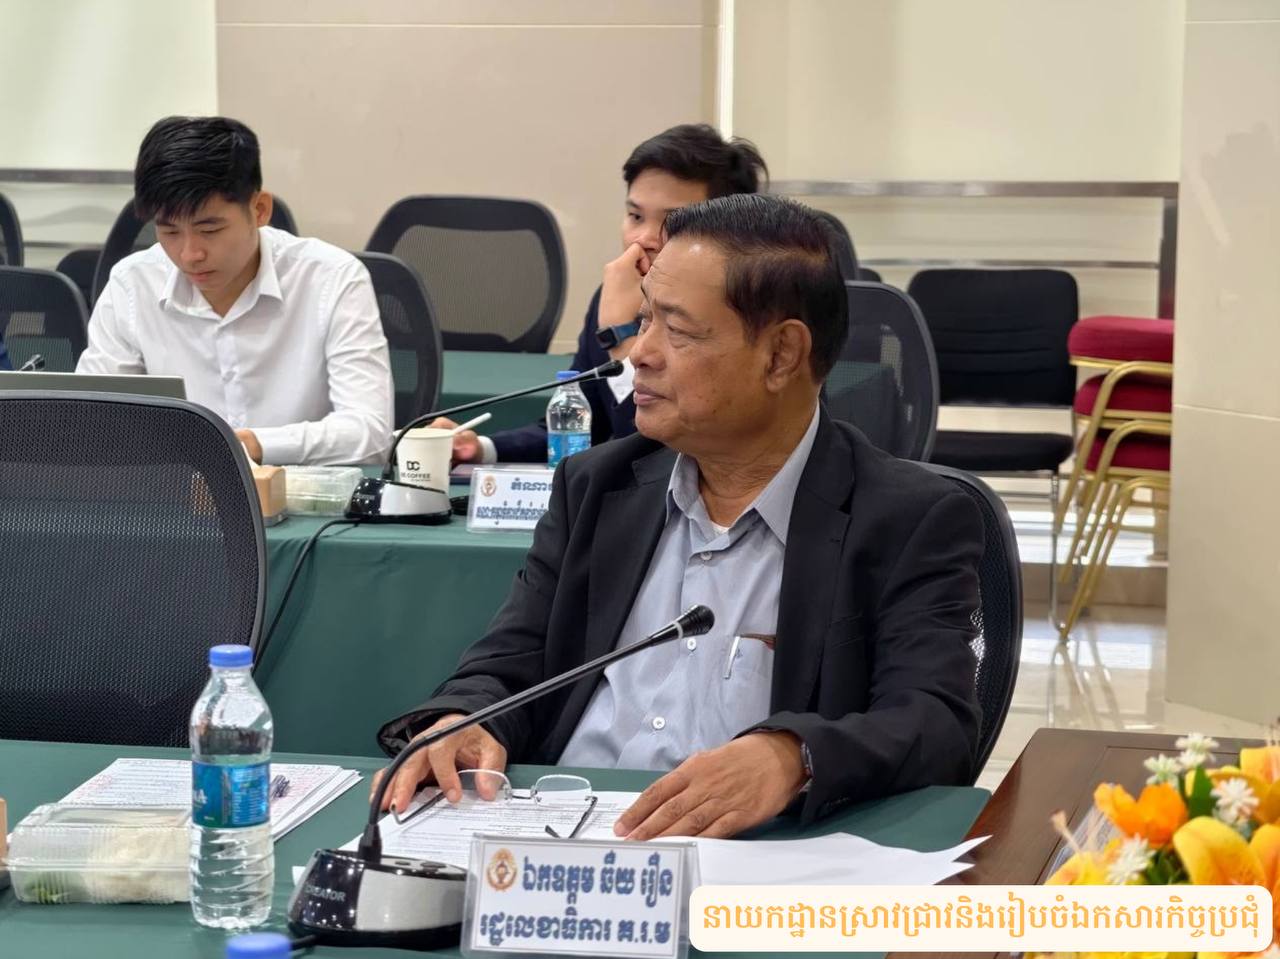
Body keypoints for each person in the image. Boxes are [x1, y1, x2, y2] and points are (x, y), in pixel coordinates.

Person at [374, 194, 985, 840]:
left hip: (744, 858)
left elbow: (936, 723)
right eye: (645, 319)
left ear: (781, 355)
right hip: (556, 842)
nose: (639, 353)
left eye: (678, 330)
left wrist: (793, 756)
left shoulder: (905, 518)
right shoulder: (596, 487)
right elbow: (507, 664)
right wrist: (465, 718)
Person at [436, 124, 767, 464]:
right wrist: (481, 448)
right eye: (635, 216)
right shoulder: (614, 295)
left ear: (727, 228)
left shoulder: (731, 315)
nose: (642, 238)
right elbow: (579, 423)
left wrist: (620, 339)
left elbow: (673, 455)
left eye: (672, 221)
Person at [77, 116, 393, 466]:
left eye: (209, 229)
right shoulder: (132, 284)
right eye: (169, 232)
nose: (190, 254)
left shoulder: (332, 279)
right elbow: (93, 422)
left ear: (259, 210)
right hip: (175, 492)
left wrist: (252, 445)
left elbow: (370, 433)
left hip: (302, 494)